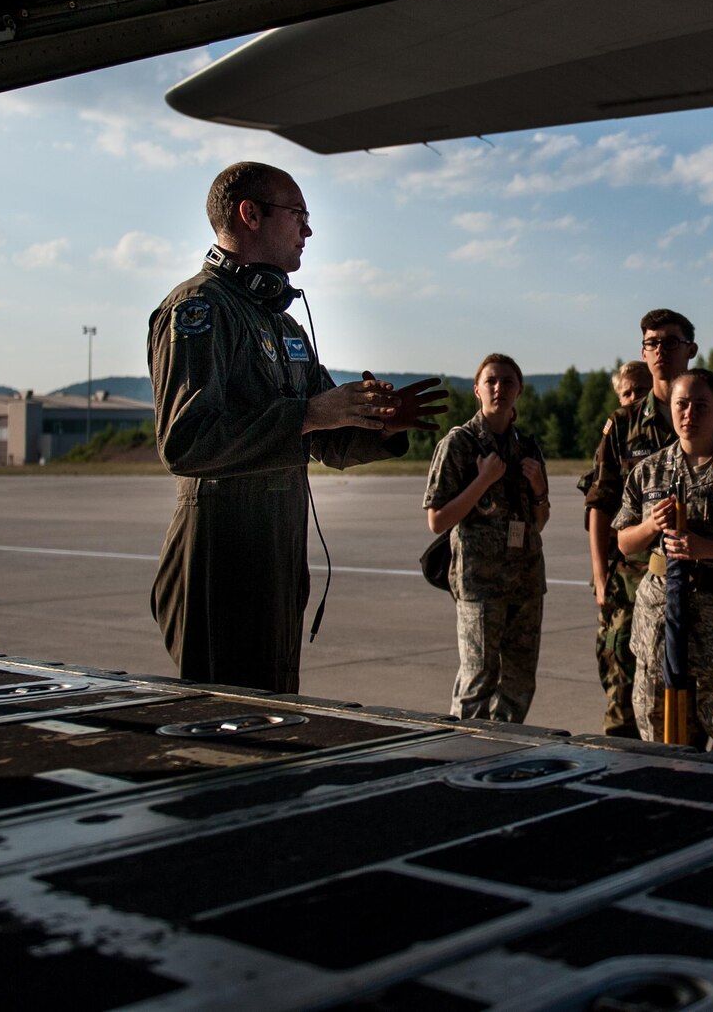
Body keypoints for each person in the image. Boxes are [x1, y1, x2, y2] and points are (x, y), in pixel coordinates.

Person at [149, 162, 445, 692]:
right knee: (228, 722)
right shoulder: (199, 310)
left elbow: (327, 438)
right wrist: (309, 414)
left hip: (278, 547)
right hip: (222, 549)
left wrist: (376, 424)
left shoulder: (281, 323)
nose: (308, 230)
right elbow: (186, 441)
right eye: (299, 215)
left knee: (276, 713)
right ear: (250, 214)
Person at [614, 368, 713, 750]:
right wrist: (652, 525)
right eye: (681, 404)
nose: (689, 413)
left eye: (701, 406)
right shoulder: (649, 470)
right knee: (662, 738)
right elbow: (624, 541)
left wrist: (707, 549)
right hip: (660, 622)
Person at [582, 310, 699, 737]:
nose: (660, 351)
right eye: (652, 343)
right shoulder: (624, 424)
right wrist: (599, 574)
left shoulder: (706, 413)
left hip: (697, 580)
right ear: (642, 351)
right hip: (631, 579)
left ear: (691, 350)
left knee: (694, 701)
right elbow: (599, 502)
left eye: (670, 342)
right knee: (625, 696)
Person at [423, 353, 550, 722]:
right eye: (491, 381)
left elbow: (539, 521)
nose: (500, 388)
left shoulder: (528, 448)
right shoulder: (460, 444)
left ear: (519, 391)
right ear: (477, 389)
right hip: (480, 582)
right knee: (478, 676)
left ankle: (502, 751)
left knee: (520, 679)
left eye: (508, 382)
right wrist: (482, 482)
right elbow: (438, 519)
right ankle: (462, 752)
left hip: (525, 581)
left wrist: (539, 489)